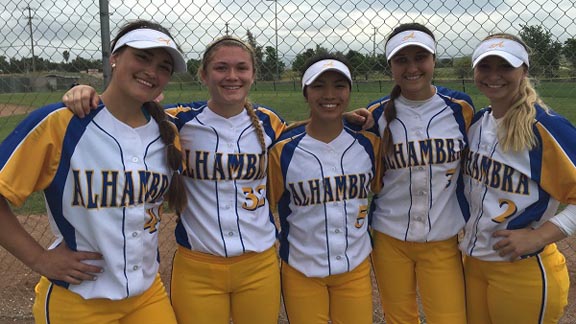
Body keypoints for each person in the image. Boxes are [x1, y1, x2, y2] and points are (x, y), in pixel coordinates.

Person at [61, 35, 374, 324]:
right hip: (198, 267)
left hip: (259, 265)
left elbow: (304, 134)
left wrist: (338, 115)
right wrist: (87, 93)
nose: (232, 76)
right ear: (203, 74)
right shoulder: (177, 121)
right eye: (221, 67)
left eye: (241, 68)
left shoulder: (268, 122)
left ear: (253, 74)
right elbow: (128, 111)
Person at [0, 19, 187, 324]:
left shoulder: (167, 132)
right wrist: (39, 259)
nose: (152, 71)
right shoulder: (62, 123)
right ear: (113, 58)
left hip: (147, 295)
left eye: (163, 66)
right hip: (78, 300)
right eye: (142, 57)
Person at [460, 33, 575, 324]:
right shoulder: (476, 123)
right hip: (473, 265)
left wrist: (539, 236)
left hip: (522, 270)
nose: (494, 75)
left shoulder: (544, 127)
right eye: (485, 66)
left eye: (505, 66)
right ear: (475, 71)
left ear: (523, 71)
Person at [366, 22, 474, 324]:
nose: (412, 67)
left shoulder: (460, 109)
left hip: (442, 237)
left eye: (420, 57)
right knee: (399, 318)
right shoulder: (376, 114)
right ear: (390, 66)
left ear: (434, 60)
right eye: (401, 59)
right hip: (389, 237)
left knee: (450, 318)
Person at [267, 54, 382, 324]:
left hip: (355, 266)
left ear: (350, 90)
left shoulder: (369, 144)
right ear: (305, 92)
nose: (329, 94)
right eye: (318, 86)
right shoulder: (283, 150)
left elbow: (383, 188)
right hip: (300, 270)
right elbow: (265, 205)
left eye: (339, 85)